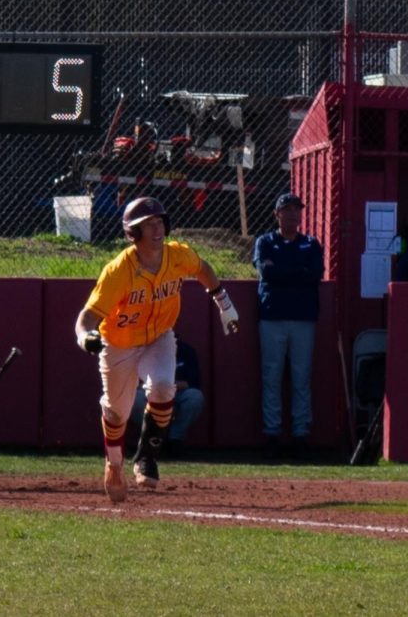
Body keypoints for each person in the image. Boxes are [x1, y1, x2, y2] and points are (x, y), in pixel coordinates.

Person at [75, 196, 239, 504]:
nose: (156, 229)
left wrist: (224, 303)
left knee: (164, 386)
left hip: (159, 336)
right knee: (116, 412)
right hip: (119, 343)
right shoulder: (119, 270)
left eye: (159, 222)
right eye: (147, 225)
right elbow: (88, 315)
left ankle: (146, 456)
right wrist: (85, 336)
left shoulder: (177, 255)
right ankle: (113, 463)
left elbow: (203, 269)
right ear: (132, 234)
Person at [253, 192, 324, 459]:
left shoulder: (310, 243)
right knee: (271, 376)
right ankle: (272, 433)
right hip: (272, 317)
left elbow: (315, 274)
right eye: (287, 210)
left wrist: (284, 272)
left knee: (301, 377)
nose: (292, 214)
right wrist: (297, 272)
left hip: (303, 318)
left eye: (296, 209)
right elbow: (267, 272)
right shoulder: (265, 242)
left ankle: (300, 434)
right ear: (277, 214)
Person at [127, 337, 204, 459]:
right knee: (134, 397)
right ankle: (152, 438)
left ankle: (175, 439)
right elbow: (135, 382)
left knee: (195, 396)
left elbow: (192, 382)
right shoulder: (143, 349)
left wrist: (166, 387)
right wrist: (156, 387)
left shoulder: (185, 350)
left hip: (178, 393)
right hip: (150, 392)